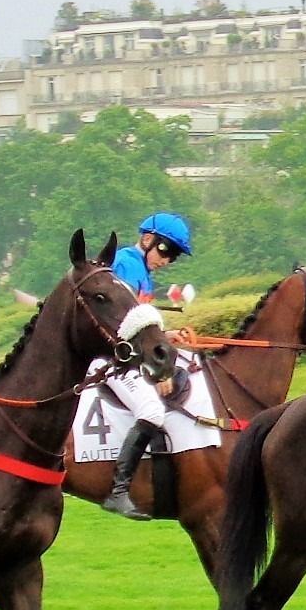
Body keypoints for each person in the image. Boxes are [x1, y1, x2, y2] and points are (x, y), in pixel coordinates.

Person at [98, 211, 194, 521]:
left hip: (127, 356)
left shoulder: (142, 272)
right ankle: (118, 491)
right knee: (151, 411)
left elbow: (140, 329)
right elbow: (120, 325)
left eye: (174, 256)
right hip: (110, 359)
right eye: (166, 250)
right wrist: (155, 375)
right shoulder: (126, 263)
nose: (167, 260)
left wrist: (166, 336)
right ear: (148, 239)